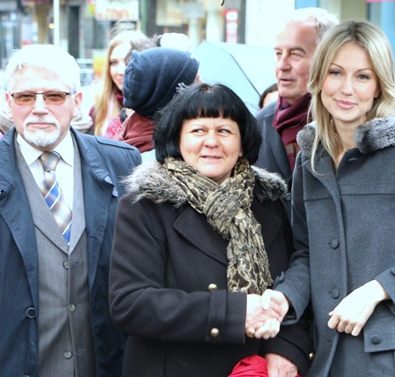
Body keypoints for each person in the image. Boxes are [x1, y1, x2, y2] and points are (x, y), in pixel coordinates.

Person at [259, 20, 395, 376]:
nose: (346, 89)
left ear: (379, 85)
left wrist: (379, 289)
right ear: (319, 78)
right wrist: (286, 296)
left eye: (362, 76)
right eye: (336, 73)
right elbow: (307, 253)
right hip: (327, 355)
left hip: (393, 363)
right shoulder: (311, 159)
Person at [108, 83, 313, 377]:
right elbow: (130, 304)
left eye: (224, 131)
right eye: (198, 131)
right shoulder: (145, 206)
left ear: (242, 144)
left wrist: (287, 349)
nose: (212, 142)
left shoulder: (270, 202)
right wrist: (234, 314)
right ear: (177, 140)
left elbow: (295, 281)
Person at [0, 44, 141, 376]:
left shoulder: (121, 163)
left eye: (54, 96)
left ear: (77, 102)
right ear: (9, 102)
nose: (39, 108)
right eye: (25, 97)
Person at [255, 7, 338, 196]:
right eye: (278, 53)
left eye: (295, 54)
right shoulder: (257, 125)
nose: (282, 65)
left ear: (327, 59)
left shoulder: (347, 123)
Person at [113, 47, 201, 161]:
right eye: (196, 80)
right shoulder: (159, 157)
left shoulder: (130, 130)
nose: (203, 84)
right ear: (173, 97)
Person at [91, 29, 147, 137]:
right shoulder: (99, 105)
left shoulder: (158, 108)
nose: (120, 71)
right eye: (114, 63)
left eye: (128, 62)